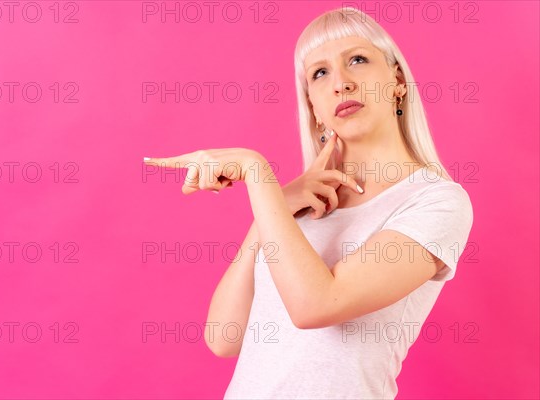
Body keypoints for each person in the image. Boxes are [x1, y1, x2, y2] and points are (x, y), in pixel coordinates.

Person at [144, 6, 474, 399]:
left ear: (397, 80)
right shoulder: (297, 204)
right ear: (315, 110)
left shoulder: (437, 202)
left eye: (357, 59)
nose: (341, 83)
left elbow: (317, 305)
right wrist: (278, 204)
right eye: (320, 73)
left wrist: (257, 172)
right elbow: (224, 336)